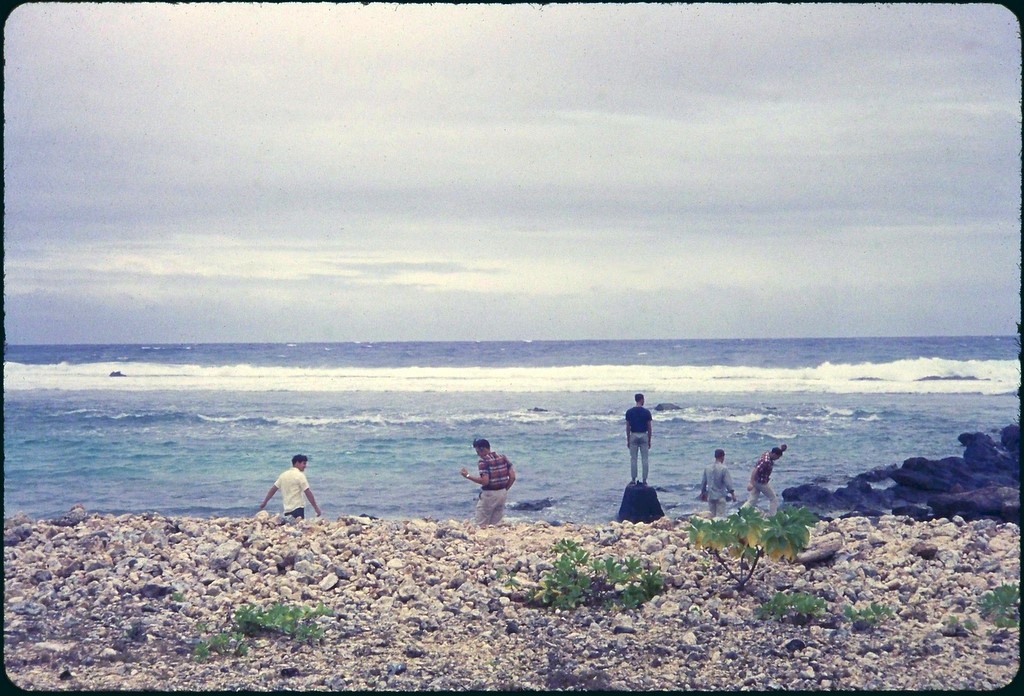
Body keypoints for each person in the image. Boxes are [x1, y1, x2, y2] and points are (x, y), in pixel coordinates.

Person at [460, 438, 516, 527]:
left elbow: (485, 481)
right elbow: (512, 477)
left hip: (489, 494)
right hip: (502, 492)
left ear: (483, 449)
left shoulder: (483, 461)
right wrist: (505, 489)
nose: (477, 454)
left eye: (478, 451)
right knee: (496, 524)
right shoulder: (503, 457)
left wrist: (467, 476)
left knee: (481, 523)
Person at [259, 454, 322, 519]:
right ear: (297, 463)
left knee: (291, 528)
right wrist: (316, 508)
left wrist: (265, 502)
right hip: (298, 509)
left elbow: (273, 489)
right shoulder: (300, 475)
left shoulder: (283, 475)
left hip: (287, 510)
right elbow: (308, 492)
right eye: (304, 463)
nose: (305, 466)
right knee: (298, 528)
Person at [743, 444, 787, 515]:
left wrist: (781, 450)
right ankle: (772, 516)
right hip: (761, 482)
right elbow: (755, 470)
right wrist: (750, 483)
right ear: (774, 454)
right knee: (773, 499)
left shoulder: (766, 454)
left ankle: (741, 511)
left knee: (752, 500)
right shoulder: (766, 462)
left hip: (756, 481)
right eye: (777, 457)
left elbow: (776, 452)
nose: (777, 459)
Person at [625, 393, 653, 485]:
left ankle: (633, 479)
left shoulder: (629, 412)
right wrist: (649, 440)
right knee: (644, 459)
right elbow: (649, 427)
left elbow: (628, 427)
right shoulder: (646, 412)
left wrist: (628, 439)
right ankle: (644, 480)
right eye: (643, 399)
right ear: (641, 400)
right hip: (643, 435)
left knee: (633, 459)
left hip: (633, 434)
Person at [700, 448, 736, 518]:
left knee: (712, 516)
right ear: (722, 457)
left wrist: (703, 493)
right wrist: (733, 494)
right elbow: (728, 483)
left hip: (710, 496)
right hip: (720, 496)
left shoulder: (707, 468)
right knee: (720, 517)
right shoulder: (723, 468)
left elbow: (703, 482)